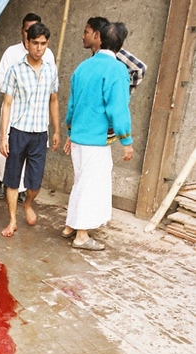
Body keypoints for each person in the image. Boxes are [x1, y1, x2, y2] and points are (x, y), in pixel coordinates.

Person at [62, 22, 133, 251]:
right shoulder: (118, 70)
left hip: (79, 137)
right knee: (91, 185)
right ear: (120, 45)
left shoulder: (82, 67)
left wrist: (70, 132)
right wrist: (126, 141)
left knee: (80, 181)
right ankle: (82, 235)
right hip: (97, 140)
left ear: (100, 39)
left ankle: (70, 226)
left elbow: (71, 105)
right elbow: (118, 109)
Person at [0, 22, 60, 237]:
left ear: (47, 44)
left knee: (35, 183)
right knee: (13, 179)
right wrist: (3, 136)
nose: (39, 48)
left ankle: (28, 204)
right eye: (35, 43)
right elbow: (6, 104)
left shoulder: (51, 71)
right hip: (18, 132)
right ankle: (13, 220)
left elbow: (54, 101)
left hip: (39, 134)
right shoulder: (15, 71)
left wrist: (56, 130)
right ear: (27, 43)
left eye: (43, 44)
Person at [82, 16, 147, 94]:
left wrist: (124, 93)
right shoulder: (94, 59)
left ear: (96, 34)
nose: (83, 36)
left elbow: (140, 68)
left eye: (86, 32)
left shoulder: (113, 52)